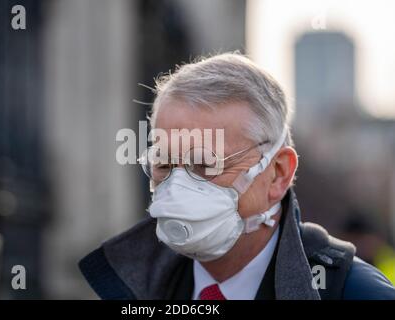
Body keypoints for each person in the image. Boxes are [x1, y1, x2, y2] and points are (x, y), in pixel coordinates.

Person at [79, 53, 395, 300]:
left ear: (277, 174)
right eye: (163, 164)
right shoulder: (126, 285)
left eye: (204, 164)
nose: (177, 188)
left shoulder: (356, 293)